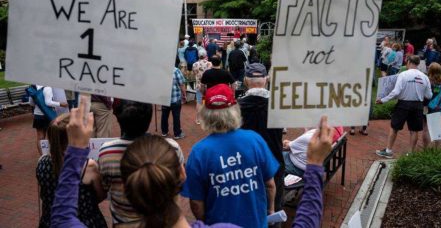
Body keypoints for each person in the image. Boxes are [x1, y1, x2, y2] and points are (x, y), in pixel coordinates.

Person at [51, 97, 334, 228]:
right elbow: (305, 221)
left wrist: (75, 149)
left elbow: (63, 217)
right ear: (181, 173)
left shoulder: (104, 155)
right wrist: (315, 165)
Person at [181, 84, 279, 228]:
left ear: (206, 115)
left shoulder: (199, 152)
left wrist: (206, 223)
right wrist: (270, 210)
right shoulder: (254, 140)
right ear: (234, 111)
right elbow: (270, 184)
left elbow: (196, 201)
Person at [99, 100, 184, 226]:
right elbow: (179, 181)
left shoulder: (106, 151)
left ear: (118, 119)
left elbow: (104, 186)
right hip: (163, 222)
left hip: (124, 222)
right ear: (149, 118)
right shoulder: (171, 147)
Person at [37, 113, 106, 228]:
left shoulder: (41, 162)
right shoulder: (88, 166)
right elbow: (101, 195)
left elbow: (44, 194)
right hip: (84, 220)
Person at [238, 63, 284, 226]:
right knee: (275, 208)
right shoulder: (278, 105)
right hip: (275, 161)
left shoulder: (237, 107)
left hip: (246, 166)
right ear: (266, 80)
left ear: (245, 81)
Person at [376, 55, 432, 158]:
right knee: (414, 130)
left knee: (394, 128)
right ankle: (410, 153)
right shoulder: (425, 77)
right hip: (418, 105)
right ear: (418, 63)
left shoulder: (403, 75)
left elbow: (396, 91)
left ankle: (388, 151)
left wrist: (383, 100)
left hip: (403, 104)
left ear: (409, 62)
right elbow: (429, 95)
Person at [29, 85, 68, 154]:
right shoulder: (47, 87)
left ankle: (43, 156)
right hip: (48, 115)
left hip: (38, 115)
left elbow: (31, 103)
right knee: (53, 135)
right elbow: (48, 103)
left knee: (40, 137)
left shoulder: (33, 87)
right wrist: (61, 104)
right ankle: (55, 154)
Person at [422, 62, 441, 148]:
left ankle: (425, 148)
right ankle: (437, 149)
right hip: (437, 107)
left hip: (427, 106)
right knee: (436, 128)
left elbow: (425, 95)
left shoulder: (427, 81)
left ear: (430, 70)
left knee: (425, 128)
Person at [161, 66, 187, 139]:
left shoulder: (161, 69)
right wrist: (184, 94)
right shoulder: (176, 70)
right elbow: (181, 84)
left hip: (164, 97)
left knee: (164, 115)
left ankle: (164, 131)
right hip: (175, 98)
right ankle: (177, 133)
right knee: (176, 116)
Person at [192, 51, 212, 124]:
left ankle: (198, 119)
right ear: (205, 55)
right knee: (208, 101)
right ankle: (207, 118)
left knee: (199, 102)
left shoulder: (195, 64)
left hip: (199, 85)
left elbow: (194, 73)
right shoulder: (210, 64)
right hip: (208, 85)